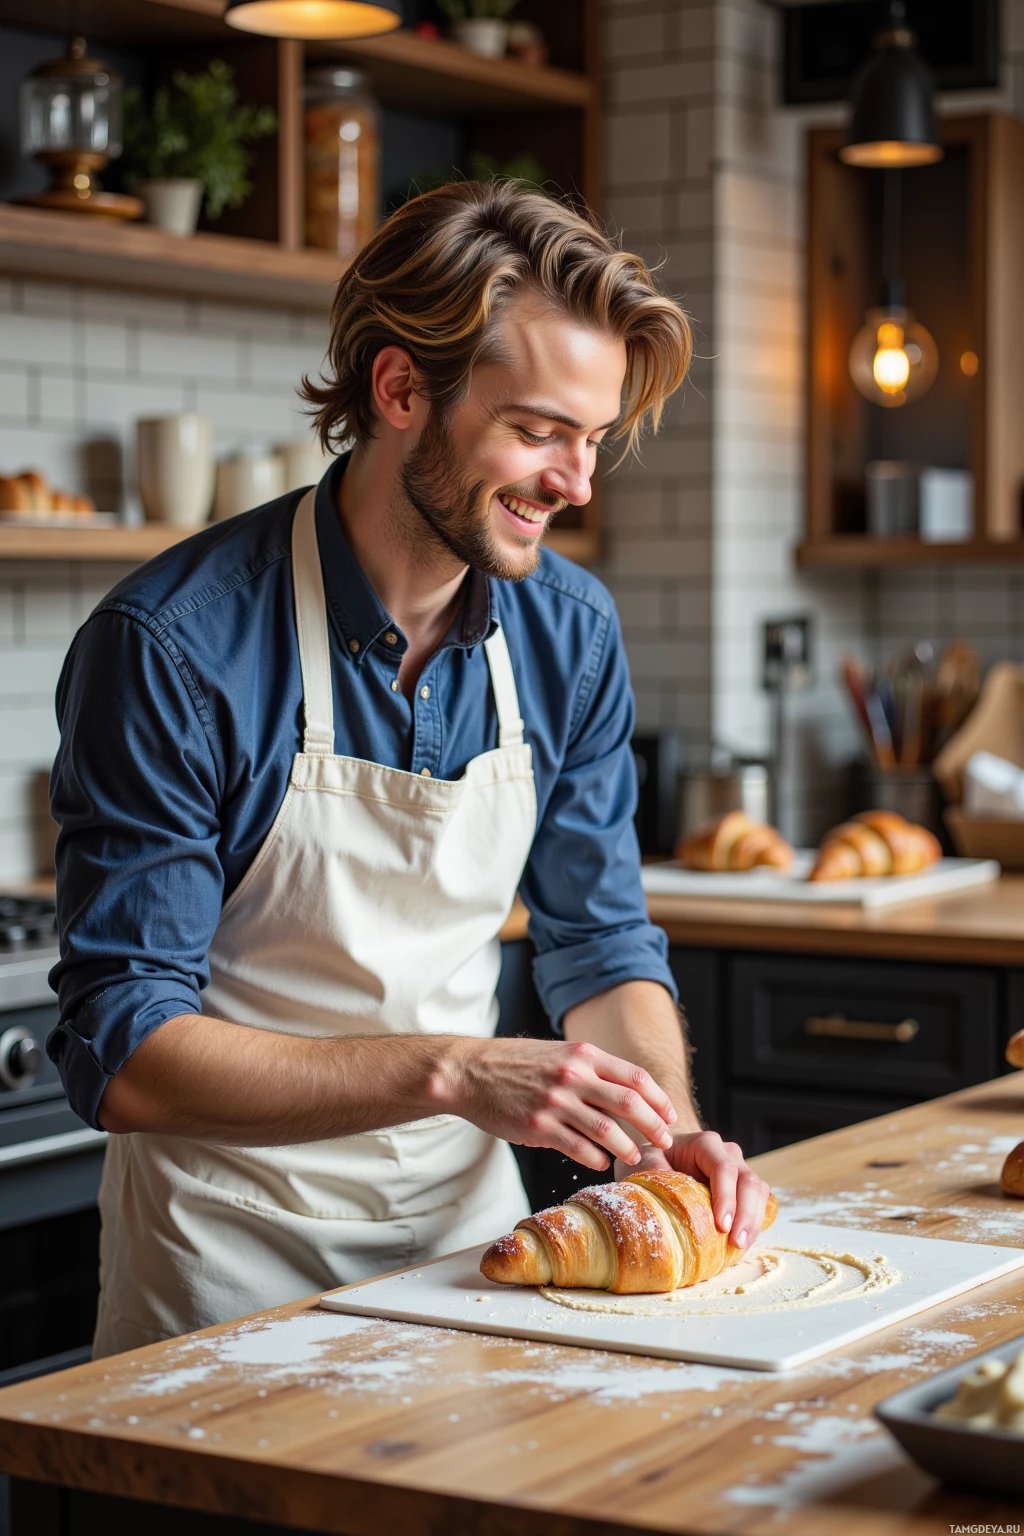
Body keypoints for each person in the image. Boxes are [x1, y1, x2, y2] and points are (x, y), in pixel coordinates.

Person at [50, 182, 772, 1358]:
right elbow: (127, 1054)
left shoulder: (569, 633)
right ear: (398, 390)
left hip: (470, 1254)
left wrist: (663, 1129)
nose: (577, 483)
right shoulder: (175, 648)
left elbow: (599, 941)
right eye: (539, 431)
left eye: (591, 441)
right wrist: (456, 1070)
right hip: (224, 1270)